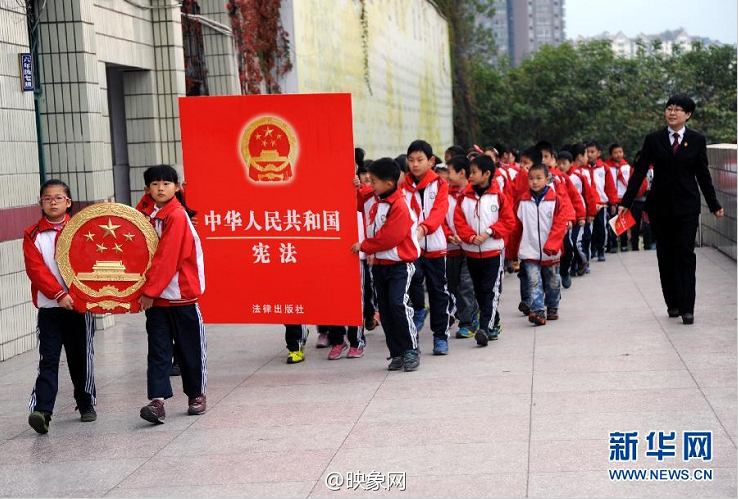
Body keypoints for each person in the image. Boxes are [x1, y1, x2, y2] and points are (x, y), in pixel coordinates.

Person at [619, 94, 723, 325]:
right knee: (665, 255)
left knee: (685, 254)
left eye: (678, 109)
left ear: (688, 115)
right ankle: (673, 302)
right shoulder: (653, 139)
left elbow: (703, 174)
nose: (672, 113)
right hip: (660, 208)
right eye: (669, 108)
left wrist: (714, 204)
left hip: (687, 207)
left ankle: (687, 308)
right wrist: (626, 202)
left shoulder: (696, 140)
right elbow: (639, 171)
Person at [24, 179, 97, 434]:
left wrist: (79, 295)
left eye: (58, 198)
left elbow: (90, 263)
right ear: (40, 202)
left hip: (78, 307)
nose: (52, 202)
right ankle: (42, 411)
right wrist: (58, 294)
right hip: (49, 308)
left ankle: (86, 403)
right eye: (47, 198)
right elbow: (36, 270)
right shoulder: (33, 234)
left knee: (81, 357)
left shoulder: (81, 230)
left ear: (68, 202)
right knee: (49, 359)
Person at [137, 165, 207, 424]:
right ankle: (157, 401)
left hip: (181, 295)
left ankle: (196, 394)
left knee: (190, 349)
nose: (160, 188)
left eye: (166, 183)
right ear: (147, 189)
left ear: (177, 187)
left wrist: (149, 291)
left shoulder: (176, 216)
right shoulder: (145, 213)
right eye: (155, 184)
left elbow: (168, 258)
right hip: (157, 299)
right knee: (158, 351)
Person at [351, 158, 421, 372]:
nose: (370, 184)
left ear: (389, 184)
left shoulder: (399, 206)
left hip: (400, 265)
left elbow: (389, 238)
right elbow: (358, 201)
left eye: (373, 181)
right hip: (379, 265)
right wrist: (356, 187)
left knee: (398, 304)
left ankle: (411, 349)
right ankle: (397, 352)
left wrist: (364, 246)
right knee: (386, 310)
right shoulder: (375, 197)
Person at [453, 155, 515, 346]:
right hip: (472, 253)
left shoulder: (499, 197)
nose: (470, 176)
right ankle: (494, 322)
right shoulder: (464, 197)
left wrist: (489, 232)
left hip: (493, 252)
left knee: (490, 291)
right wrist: (471, 237)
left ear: (486, 174)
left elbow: (508, 221)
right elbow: (459, 222)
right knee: (479, 292)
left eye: (474, 172)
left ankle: (484, 329)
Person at [403, 140, 453, 355]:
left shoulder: (440, 184)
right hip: (411, 247)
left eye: (420, 160)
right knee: (411, 284)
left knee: (438, 291)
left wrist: (424, 228)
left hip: (434, 246)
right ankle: (418, 311)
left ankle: (440, 336)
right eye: (411, 160)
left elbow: (440, 211)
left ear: (431, 161)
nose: (415, 164)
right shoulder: (402, 186)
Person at [509, 164, 568, 325]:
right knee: (533, 282)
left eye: (538, 178)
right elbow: (516, 227)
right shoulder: (522, 201)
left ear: (547, 180)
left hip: (551, 251)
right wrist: (512, 251)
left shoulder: (555, 200)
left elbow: (560, 224)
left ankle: (553, 306)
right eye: (531, 178)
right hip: (529, 250)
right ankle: (538, 311)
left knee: (553, 283)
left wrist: (552, 245)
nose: (534, 182)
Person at [444, 155, 480, 339]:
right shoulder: (445, 194)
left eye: (449, 172)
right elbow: (440, 220)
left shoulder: (474, 194)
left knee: (466, 285)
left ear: (462, 173)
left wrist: (468, 236)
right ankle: (473, 313)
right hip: (452, 249)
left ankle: (468, 323)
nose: (447, 176)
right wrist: (448, 235)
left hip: (471, 248)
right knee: (454, 285)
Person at [568, 144, 599, 275]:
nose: (588, 157)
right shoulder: (571, 175)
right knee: (575, 240)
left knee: (583, 238)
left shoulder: (582, 174)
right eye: (586, 154)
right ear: (580, 157)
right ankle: (576, 264)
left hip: (583, 213)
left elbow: (589, 194)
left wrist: (591, 212)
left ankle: (584, 263)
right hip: (572, 214)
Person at [586, 140, 618, 262]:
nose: (589, 154)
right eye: (587, 152)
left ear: (598, 153)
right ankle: (592, 249)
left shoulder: (604, 168)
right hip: (589, 204)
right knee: (590, 229)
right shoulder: (583, 169)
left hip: (602, 204)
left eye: (592, 152)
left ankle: (601, 250)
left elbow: (610, 186)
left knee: (601, 228)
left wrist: (613, 202)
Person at [605, 144, 630, 252]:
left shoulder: (626, 167)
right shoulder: (607, 166)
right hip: (611, 199)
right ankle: (613, 245)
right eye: (615, 152)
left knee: (624, 222)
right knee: (613, 222)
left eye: (620, 152)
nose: (618, 154)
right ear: (611, 154)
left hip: (623, 198)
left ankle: (624, 244)